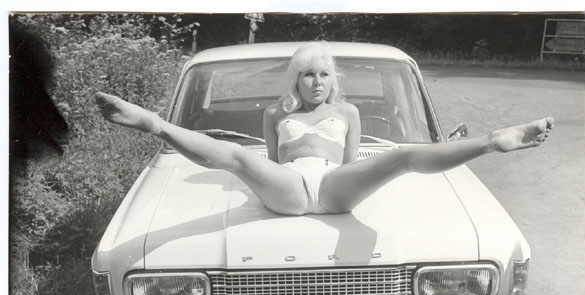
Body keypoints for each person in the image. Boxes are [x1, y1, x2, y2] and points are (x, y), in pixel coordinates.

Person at [95, 42, 553, 216]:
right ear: (296, 80)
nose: (317, 82)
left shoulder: (349, 113)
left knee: (401, 156)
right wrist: (269, 171)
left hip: (336, 185)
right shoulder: (276, 114)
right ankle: (155, 123)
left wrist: (352, 180)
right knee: (237, 157)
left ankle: (493, 141)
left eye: (324, 75)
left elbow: (351, 164)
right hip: (290, 186)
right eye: (308, 75)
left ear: (334, 80)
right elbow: (272, 161)